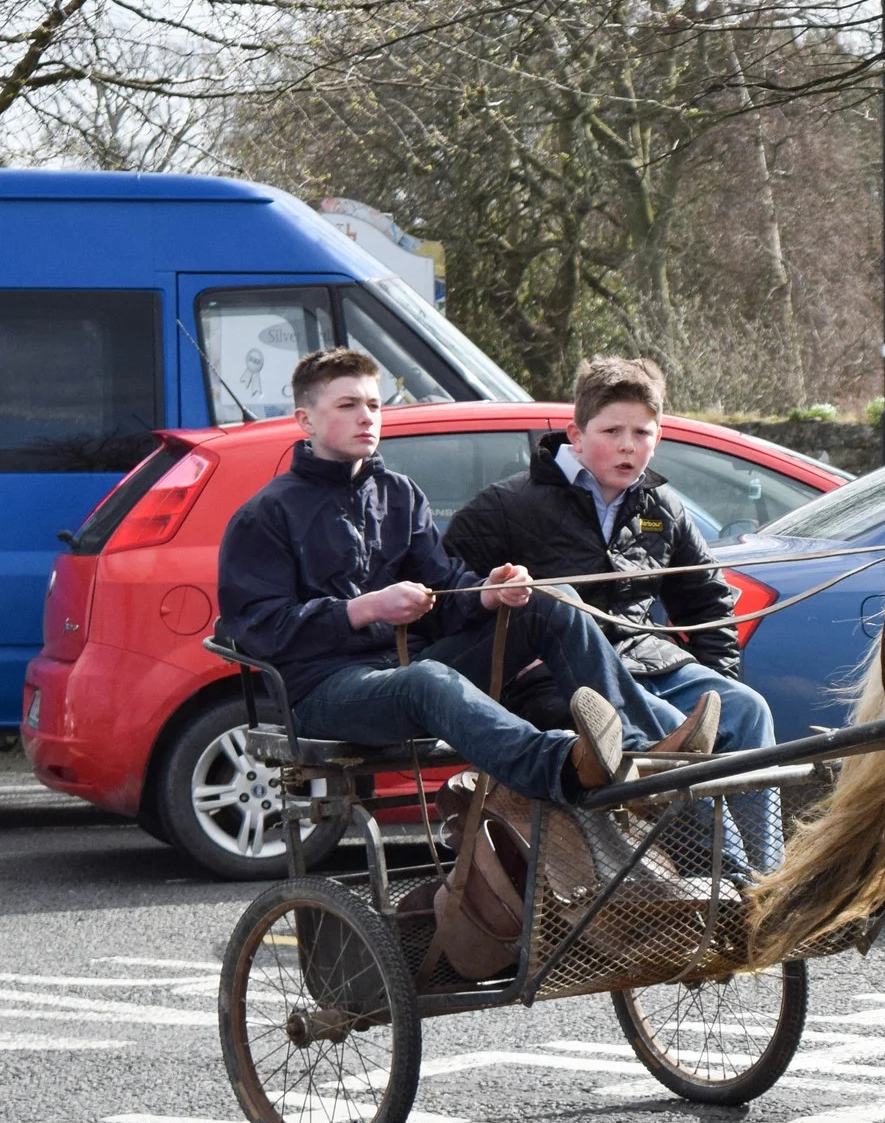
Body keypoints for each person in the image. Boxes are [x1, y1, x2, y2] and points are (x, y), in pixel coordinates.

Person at [217, 349, 717, 807]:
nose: (367, 416)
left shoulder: (401, 494)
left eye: (374, 404)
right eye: (348, 405)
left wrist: (489, 593)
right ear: (304, 419)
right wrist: (364, 609)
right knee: (427, 680)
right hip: (322, 693)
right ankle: (566, 769)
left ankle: (645, 757)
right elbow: (258, 630)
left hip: (405, 666)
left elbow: (446, 591)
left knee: (550, 597)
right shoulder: (265, 514)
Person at [445, 355, 780, 866]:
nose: (629, 445)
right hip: (556, 681)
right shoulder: (506, 505)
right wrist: (494, 594)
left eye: (643, 432)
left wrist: (713, 686)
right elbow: (449, 595)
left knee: (747, 708)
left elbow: (709, 603)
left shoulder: (662, 505)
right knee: (668, 726)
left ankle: (767, 878)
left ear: (659, 435)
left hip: (647, 660)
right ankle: (727, 881)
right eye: (612, 431)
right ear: (576, 437)